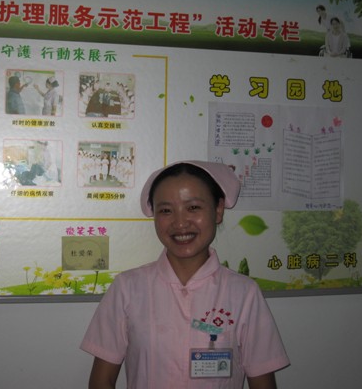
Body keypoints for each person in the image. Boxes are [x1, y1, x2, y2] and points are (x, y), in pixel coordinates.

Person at [81, 160, 289, 389]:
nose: (180, 223)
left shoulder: (244, 293)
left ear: (218, 210)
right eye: (166, 210)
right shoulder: (127, 288)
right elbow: (101, 381)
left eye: (193, 208)